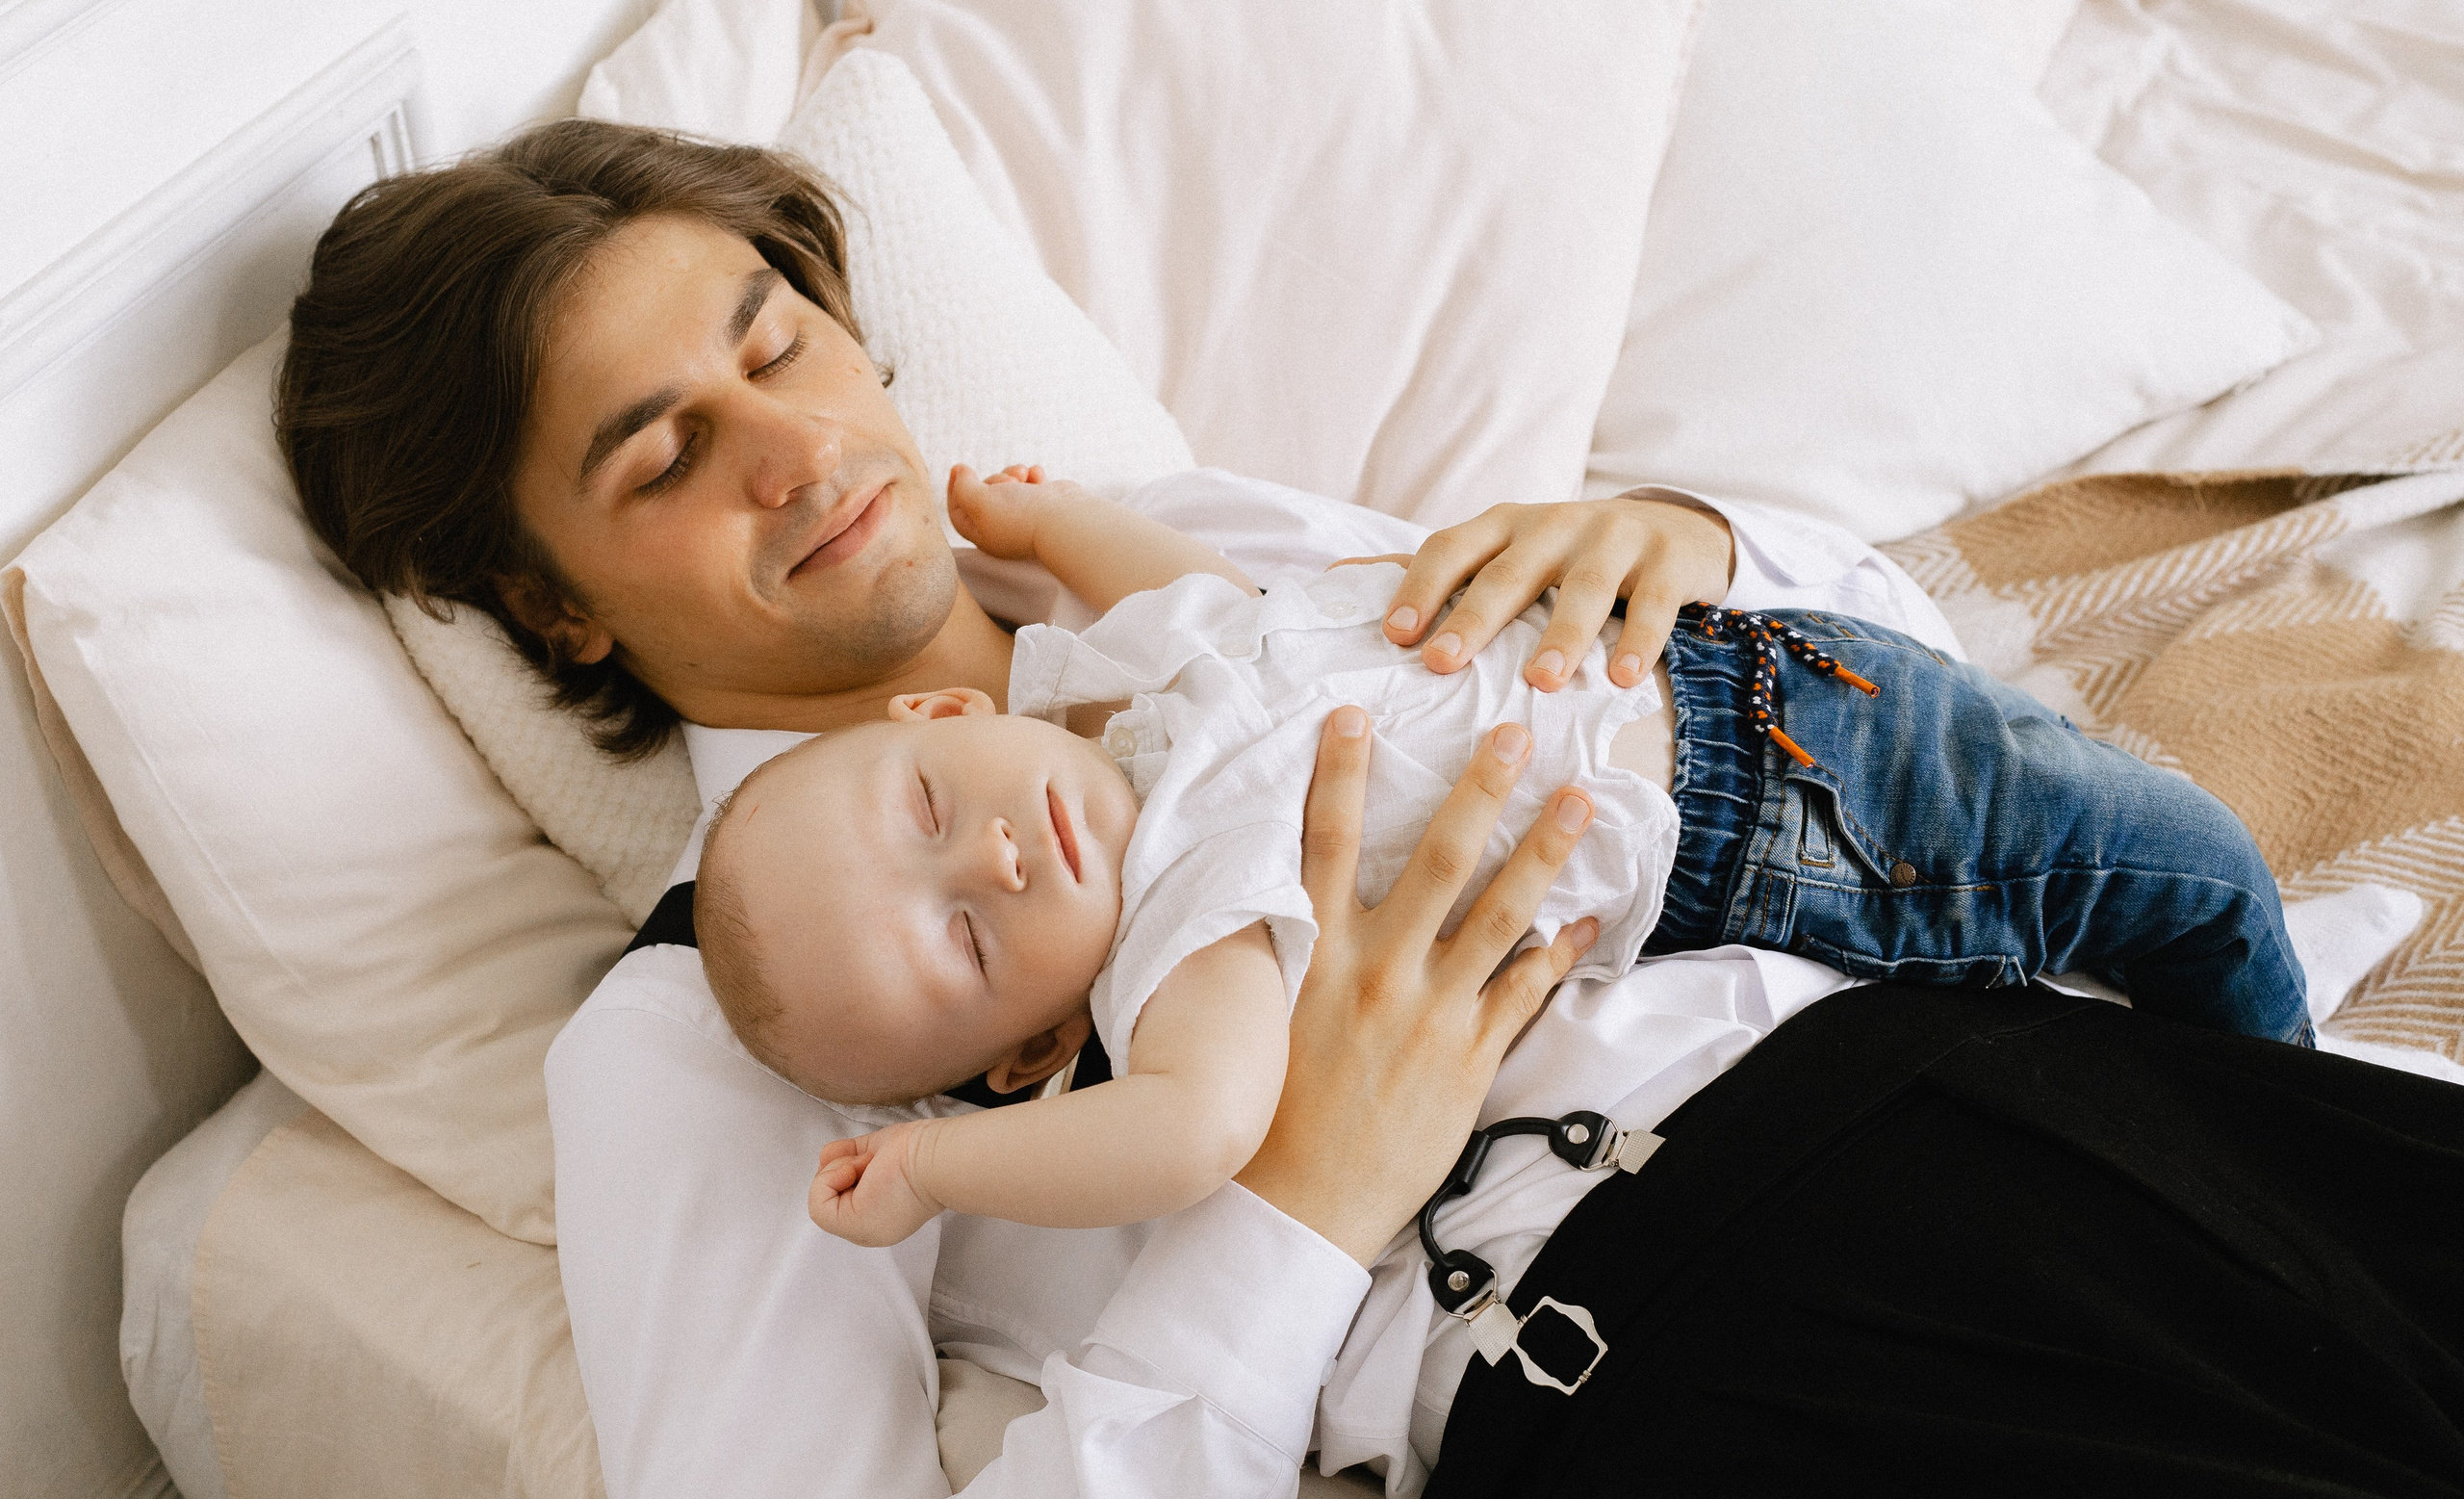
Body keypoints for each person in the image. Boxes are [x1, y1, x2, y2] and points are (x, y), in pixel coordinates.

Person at [276, 119, 2464, 1499]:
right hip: (1723, 1359)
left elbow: (1845, 718)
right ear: (548, 605)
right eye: (660, 455)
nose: (794, 448)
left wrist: (1701, 542)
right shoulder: (704, 1031)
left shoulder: (1193, 555)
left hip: (2032, 1080)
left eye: (774, 346)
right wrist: (1290, 1209)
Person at [692, 462, 2304, 1253]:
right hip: (1793, 820)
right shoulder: (1193, 933)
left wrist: (1046, 525)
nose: (994, 857)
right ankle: (2302, 1142)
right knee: (2196, 880)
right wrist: (929, 1171)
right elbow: (1194, 1132)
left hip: (1748, 651)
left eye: (924, 805)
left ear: (938, 706)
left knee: (2129, 861)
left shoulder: (1146, 686)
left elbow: (1181, 577)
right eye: (968, 944)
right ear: (1045, 1041)